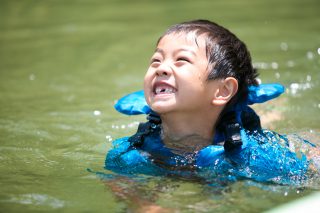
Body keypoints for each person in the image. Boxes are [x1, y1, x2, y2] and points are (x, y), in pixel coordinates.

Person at [105, 20, 319, 185]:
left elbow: (307, 172)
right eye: (156, 60)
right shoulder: (133, 153)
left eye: (182, 60)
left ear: (222, 90)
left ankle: (271, 110)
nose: (161, 68)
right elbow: (119, 184)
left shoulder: (253, 156)